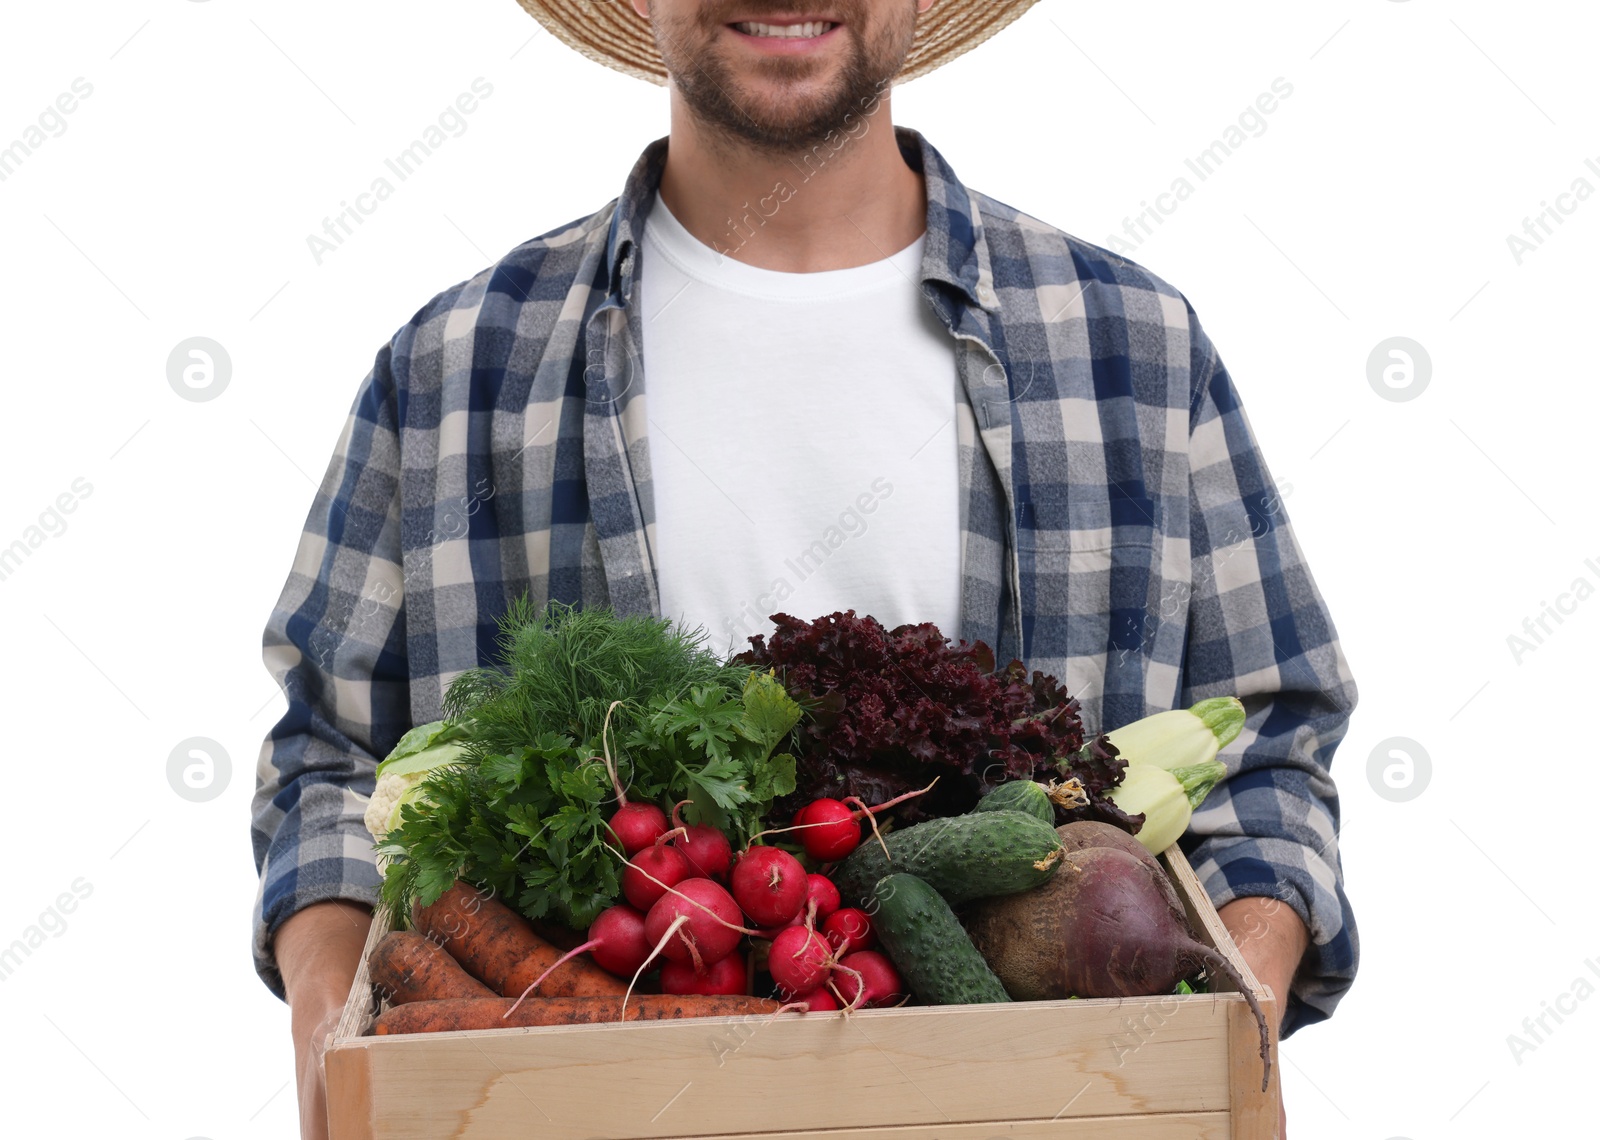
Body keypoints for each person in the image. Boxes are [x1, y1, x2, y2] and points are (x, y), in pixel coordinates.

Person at [250, 2, 1358, 1136]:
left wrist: (1228, 1029)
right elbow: (329, 760)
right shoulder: (458, 370)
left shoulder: (1131, 345)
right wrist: (329, 1047)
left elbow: (1270, 750)